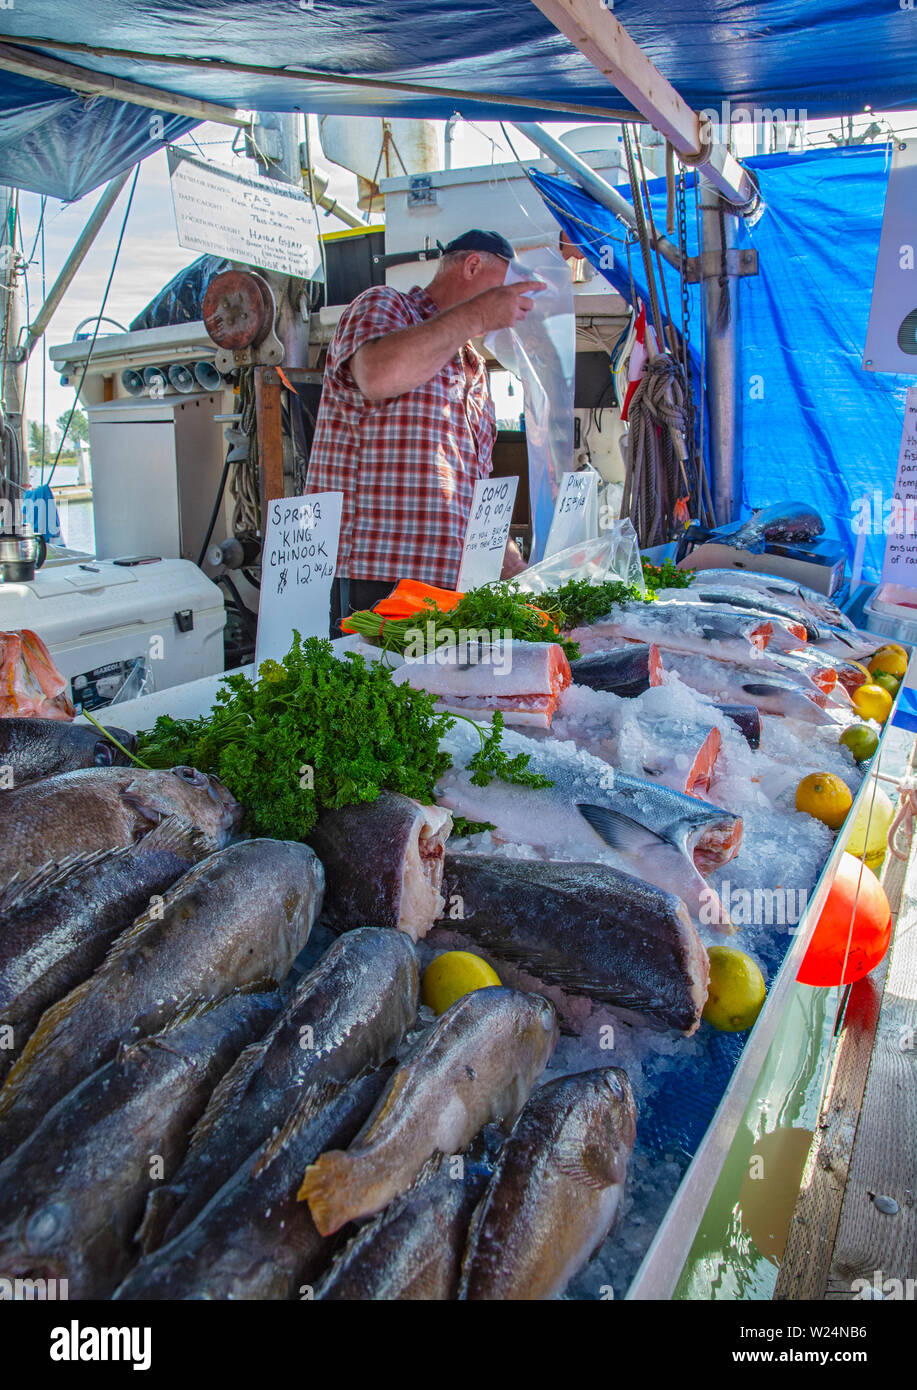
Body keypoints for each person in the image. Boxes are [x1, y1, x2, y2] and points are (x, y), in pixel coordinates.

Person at [306, 229, 542, 635]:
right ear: (472, 266)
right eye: (507, 288)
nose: (515, 305)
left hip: (448, 591)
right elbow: (378, 375)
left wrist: (513, 564)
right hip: (372, 580)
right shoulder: (385, 305)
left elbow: (472, 486)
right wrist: (480, 313)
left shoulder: (475, 368)